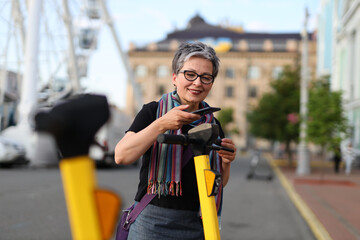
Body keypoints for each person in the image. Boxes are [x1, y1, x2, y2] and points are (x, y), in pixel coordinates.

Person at [114, 41, 236, 240]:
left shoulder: (212, 123)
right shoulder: (153, 112)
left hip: (198, 222)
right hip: (150, 224)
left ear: (212, 83)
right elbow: (121, 156)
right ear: (174, 77)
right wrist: (162, 124)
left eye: (206, 77)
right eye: (190, 74)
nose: (197, 83)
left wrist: (225, 163)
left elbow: (217, 183)